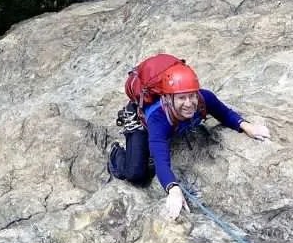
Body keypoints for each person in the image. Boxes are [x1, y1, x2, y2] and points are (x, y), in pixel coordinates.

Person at [108, 60, 270, 220]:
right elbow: (161, 162)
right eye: (181, 98)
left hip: (169, 125)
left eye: (192, 96)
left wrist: (247, 126)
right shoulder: (158, 120)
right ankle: (116, 152)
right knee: (136, 174)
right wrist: (173, 189)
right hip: (143, 124)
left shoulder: (204, 98)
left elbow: (225, 114)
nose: (189, 103)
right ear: (168, 98)